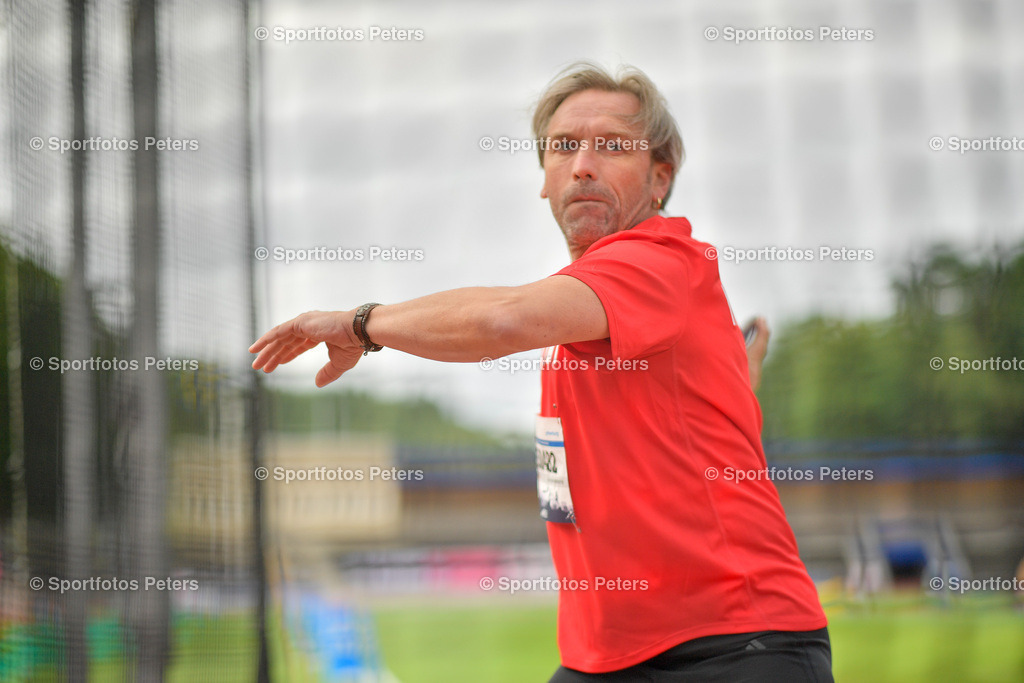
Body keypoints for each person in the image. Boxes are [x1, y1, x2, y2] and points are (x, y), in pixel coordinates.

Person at [250, 62, 832, 682]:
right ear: (544, 179)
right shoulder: (591, 306)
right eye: (564, 147)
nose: (583, 164)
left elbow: (500, 322)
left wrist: (361, 324)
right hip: (604, 658)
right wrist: (733, 382)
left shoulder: (657, 262)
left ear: (660, 177)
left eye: (612, 146)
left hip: (733, 645)